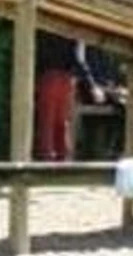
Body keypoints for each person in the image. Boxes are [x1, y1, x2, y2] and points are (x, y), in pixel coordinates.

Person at [33, 29, 90, 163]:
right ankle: (62, 157)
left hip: (49, 75)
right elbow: (78, 58)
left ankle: (48, 157)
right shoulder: (73, 30)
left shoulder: (43, 30)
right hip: (64, 76)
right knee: (61, 121)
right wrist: (89, 83)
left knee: (48, 120)